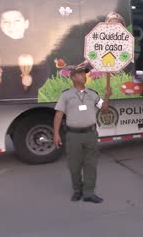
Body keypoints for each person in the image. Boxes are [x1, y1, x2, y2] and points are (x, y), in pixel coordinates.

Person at [53, 66, 112, 203]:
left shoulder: (93, 94)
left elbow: (104, 109)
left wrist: (107, 96)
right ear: (73, 77)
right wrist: (56, 134)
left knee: (91, 164)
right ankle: (77, 190)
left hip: (90, 134)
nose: (83, 76)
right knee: (74, 165)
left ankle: (89, 193)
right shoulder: (66, 95)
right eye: (80, 74)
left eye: (84, 74)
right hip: (73, 136)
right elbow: (58, 114)